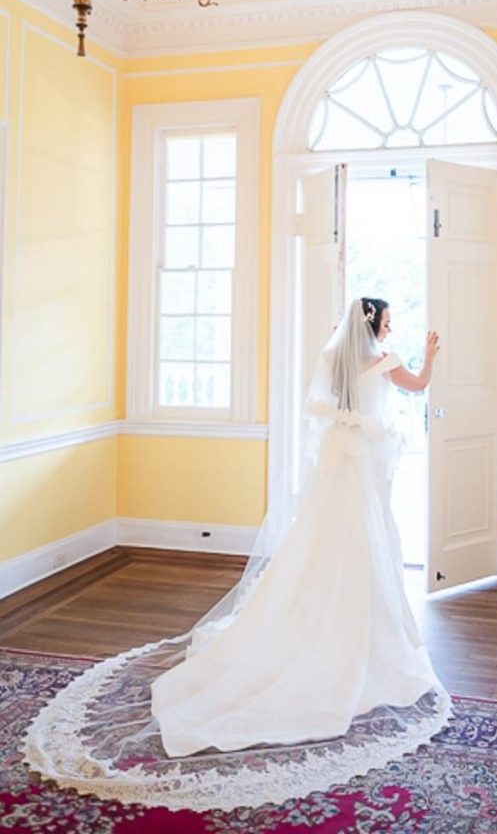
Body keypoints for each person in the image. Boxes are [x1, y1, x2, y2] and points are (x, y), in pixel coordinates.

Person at [23, 297, 450, 813]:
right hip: (362, 461)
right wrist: (429, 356)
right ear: (376, 325)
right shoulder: (384, 358)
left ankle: (324, 612)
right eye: (388, 320)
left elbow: (342, 399)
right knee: (365, 538)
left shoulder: (337, 359)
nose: (392, 326)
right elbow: (418, 387)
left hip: (344, 460)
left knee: (329, 539)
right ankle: (362, 628)